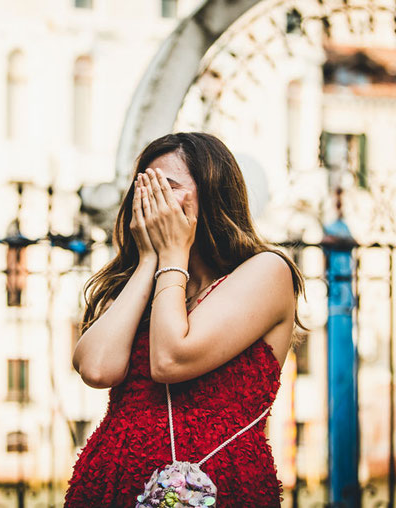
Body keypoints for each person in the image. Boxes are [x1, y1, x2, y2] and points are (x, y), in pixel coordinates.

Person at [66, 133, 305, 507]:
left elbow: (170, 359)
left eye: (166, 188)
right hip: (110, 485)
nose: (149, 201)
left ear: (211, 196)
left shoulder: (267, 272)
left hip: (222, 484)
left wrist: (174, 252)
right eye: (143, 188)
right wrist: (149, 261)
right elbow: (97, 369)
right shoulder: (135, 286)